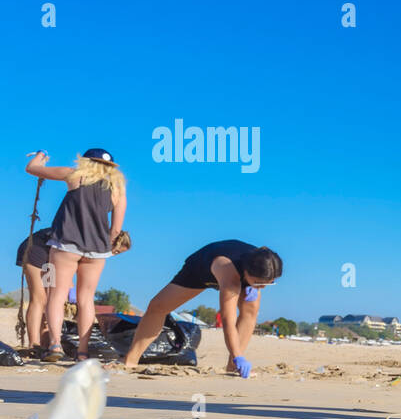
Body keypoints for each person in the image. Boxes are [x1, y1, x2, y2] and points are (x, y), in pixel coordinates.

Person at [23, 149, 129, 362]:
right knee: (86, 299)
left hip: (66, 245)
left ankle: (55, 344)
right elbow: (116, 230)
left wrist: (42, 155)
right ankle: (82, 351)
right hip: (98, 250)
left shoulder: (74, 175)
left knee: (57, 294)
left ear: (85, 161)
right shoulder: (117, 189)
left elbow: (32, 169)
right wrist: (103, 244)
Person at [119, 241, 282, 377]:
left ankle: (233, 367)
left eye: (269, 283)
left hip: (247, 273)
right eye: (260, 283)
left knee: (251, 309)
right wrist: (238, 355)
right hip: (200, 270)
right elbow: (227, 320)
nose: (264, 287)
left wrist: (255, 286)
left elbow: (265, 251)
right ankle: (130, 360)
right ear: (246, 272)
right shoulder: (229, 273)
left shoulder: (264, 260)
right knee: (158, 306)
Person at [13, 227, 56, 354]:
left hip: (51, 253)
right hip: (35, 248)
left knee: (50, 300)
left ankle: (45, 342)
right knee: (39, 298)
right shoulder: (89, 239)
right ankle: (34, 345)